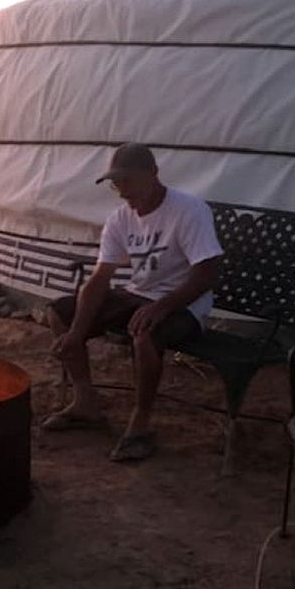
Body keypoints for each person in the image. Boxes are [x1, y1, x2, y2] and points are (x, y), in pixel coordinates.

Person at [45, 143, 223, 462]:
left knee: (145, 333)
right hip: (138, 294)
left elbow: (207, 274)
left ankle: (140, 424)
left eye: (129, 181)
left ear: (153, 175)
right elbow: (100, 278)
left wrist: (162, 306)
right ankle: (86, 403)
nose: (123, 191)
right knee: (60, 312)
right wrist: (76, 332)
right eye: (117, 183)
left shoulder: (188, 210)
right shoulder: (120, 219)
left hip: (184, 304)